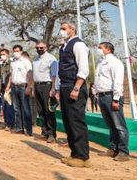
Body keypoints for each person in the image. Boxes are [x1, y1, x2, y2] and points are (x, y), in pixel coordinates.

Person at [56, 21, 91, 168]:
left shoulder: (78, 45)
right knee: (68, 120)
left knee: (76, 120)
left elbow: (83, 68)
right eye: (60, 29)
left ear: (72, 29)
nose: (61, 31)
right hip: (64, 86)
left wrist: (76, 88)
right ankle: (74, 153)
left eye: (64, 29)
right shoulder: (63, 46)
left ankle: (83, 156)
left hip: (74, 86)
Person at [95, 42, 130, 161]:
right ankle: (113, 148)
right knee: (110, 124)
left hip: (111, 96)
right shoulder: (100, 62)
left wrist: (116, 98)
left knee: (119, 125)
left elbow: (118, 81)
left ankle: (123, 151)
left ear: (108, 49)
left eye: (100, 48)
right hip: (102, 95)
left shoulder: (115, 62)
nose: (98, 50)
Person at [32, 42, 58, 143]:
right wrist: (33, 88)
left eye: (41, 47)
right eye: (37, 47)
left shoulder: (51, 59)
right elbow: (34, 75)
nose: (39, 49)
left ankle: (52, 134)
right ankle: (44, 132)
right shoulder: (35, 60)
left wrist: (53, 88)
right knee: (41, 110)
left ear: (46, 48)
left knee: (48, 110)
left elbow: (54, 75)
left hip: (47, 86)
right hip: (37, 85)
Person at [5, 45, 33, 136]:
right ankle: (19, 128)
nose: (15, 53)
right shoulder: (13, 62)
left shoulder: (26, 61)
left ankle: (28, 130)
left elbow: (29, 74)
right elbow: (11, 75)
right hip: (14, 86)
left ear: (21, 51)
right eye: (14, 51)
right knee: (16, 109)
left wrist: (29, 86)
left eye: (17, 51)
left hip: (23, 86)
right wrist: (8, 86)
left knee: (25, 108)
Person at [0, 48, 14, 130]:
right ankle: (6, 123)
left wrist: (9, 87)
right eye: (1, 54)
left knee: (9, 106)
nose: (2, 56)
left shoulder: (11, 63)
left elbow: (11, 76)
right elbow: (2, 77)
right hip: (3, 86)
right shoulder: (2, 64)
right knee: (4, 106)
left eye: (4, 54)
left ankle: (10, 124)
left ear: (7, 54)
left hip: (10, 87)